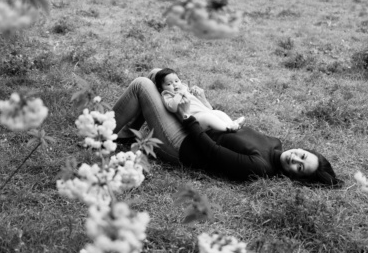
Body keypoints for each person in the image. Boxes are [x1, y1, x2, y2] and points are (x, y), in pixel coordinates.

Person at [112, 69, 341, 186]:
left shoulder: (261, 167)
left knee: (142, 84)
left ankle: (101, 131)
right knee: (157, 74)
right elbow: (226, 125)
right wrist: (203, 103)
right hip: (195, 126)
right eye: (303, 156)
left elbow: (212, 153)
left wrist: (186, 117)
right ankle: (124, 133)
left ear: (295, 178)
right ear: (302, 148)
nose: (295, 159)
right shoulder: (275, 143)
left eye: (300, 168)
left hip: (182, 145)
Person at [155, 68, 245, 132]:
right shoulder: (167, 95)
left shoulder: (183, 87)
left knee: (219, 113)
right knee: (208, 118)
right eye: (169, 84)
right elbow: (172, 107)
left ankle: (232, 123)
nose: (174, 85)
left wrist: (192, 92)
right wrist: (180, 94)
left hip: (204, 111)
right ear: (161, 89)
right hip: (194, 118)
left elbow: (187, 90)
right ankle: (227, 128)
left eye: (176, 81)